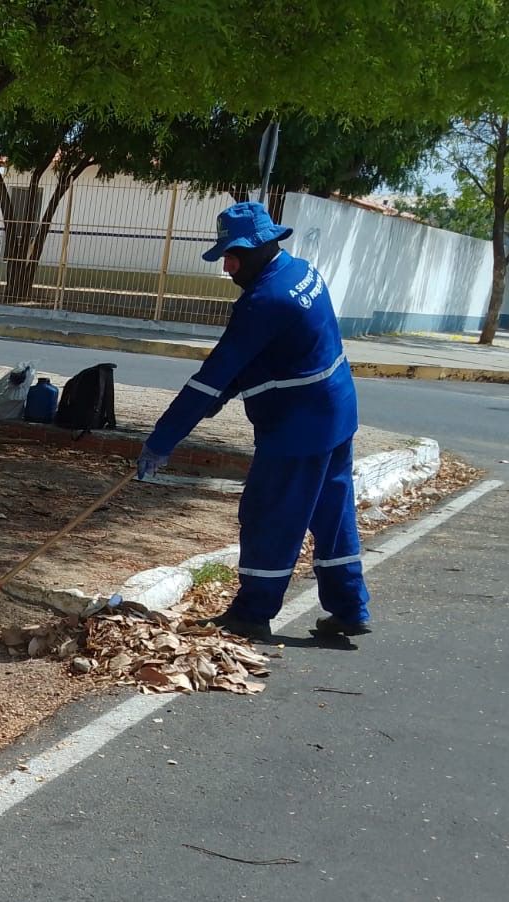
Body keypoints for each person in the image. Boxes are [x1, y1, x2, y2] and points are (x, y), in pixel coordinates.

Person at [137, 201, 370, 641]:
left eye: (232, 255)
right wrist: (217, 398)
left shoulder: (265, 300)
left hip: (297, 428)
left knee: (270, 515)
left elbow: (213, 376)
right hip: (337, 415)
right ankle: (349, 607)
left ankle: (252, 613)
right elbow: (256, 362)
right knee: (332, 514)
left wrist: (161, 441)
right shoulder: (302, 273)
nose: (227, 267)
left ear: (260, 248)